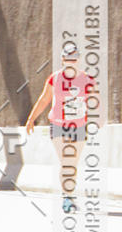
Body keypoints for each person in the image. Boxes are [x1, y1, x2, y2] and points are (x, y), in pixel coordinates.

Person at [25, 45, 94, 212]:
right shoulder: (54, 78)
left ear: (78, 59)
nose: (71, 61)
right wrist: (31, 118)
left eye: (74, 58)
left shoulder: (87, 79)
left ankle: (68, 195)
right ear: (63, 59)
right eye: (68, 58)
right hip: (57, 125)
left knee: (72, 163)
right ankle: (67, 198)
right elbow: (44, 100)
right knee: (66, 161)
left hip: (79, 126)